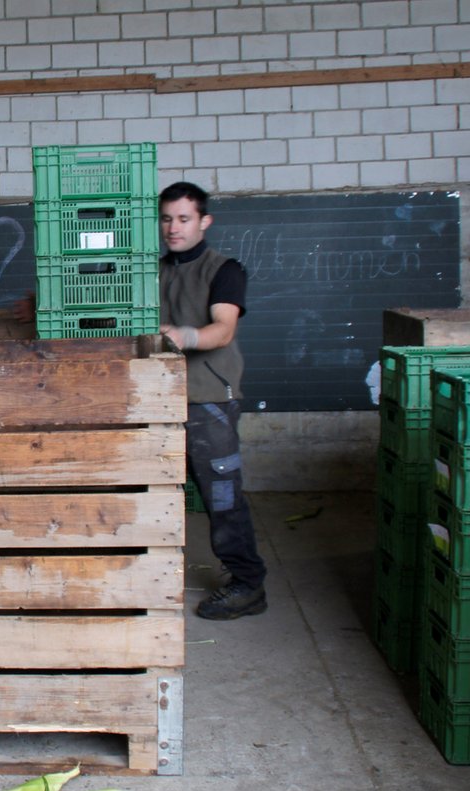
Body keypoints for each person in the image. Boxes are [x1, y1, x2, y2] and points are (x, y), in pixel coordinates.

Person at [158, 181, 268, 620]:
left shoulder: (224, 269)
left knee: (221, 496)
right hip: (156, 399)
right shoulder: (152, 270)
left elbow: (223, 329)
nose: (173, 228)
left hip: (207, 399)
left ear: (204, 221)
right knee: (158, 491)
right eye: (166, 218)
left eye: (183, 219)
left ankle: (247, 584)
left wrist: (186, 335)